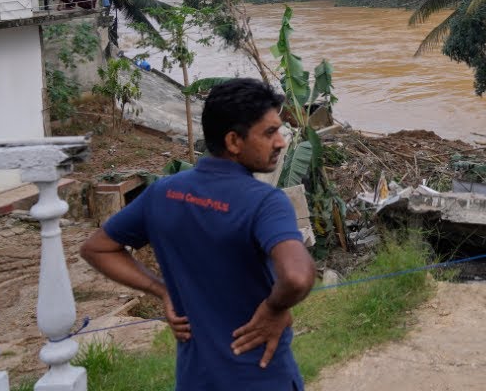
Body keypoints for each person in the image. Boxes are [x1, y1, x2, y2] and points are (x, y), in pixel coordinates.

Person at [81, 79, 314, 391]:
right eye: (269, 132)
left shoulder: (163, 192)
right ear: (233, 141)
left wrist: (161, 290)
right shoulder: (265, 202)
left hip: (195, 379)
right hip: (260, 375)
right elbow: (298, 277)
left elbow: (97, 248)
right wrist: (274, 309)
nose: (281, 142)